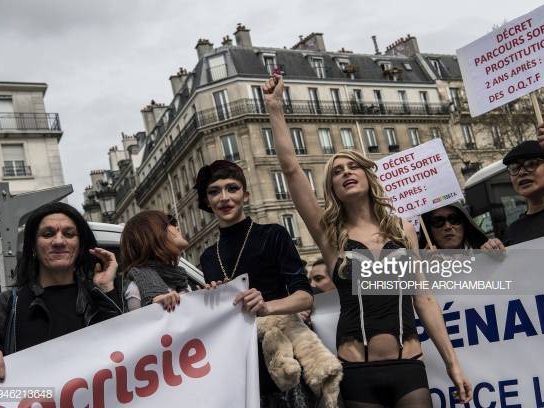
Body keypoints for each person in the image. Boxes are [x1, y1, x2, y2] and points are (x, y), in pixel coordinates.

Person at [264, 73, 472, 407]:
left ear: (366, 174)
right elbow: (291, 170)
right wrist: (275, 107)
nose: (345, 172)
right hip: (357, 372)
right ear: (332, 188)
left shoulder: (402, 229)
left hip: (408, 367)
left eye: (352, 167)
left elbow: (424, 300)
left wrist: (453, 365)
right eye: (337, 171)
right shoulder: (330, 235)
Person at [194, 160, 315, 407]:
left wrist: (267, 307)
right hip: (241, 368)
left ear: (246, 195)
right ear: (207, 201)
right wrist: (209, 300)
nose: (224, 197)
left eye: (232, 188)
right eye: (214, 191)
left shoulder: (273, 234)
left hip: (284, 359)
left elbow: (305, 296)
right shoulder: (208, 257)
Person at [0, 202, 121, 385]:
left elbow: (127, 349)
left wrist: (106, 291)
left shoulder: (104, 297)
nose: (59, 241)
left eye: (69, 234)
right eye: (48, 234)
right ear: (33, 246)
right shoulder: (3, 308)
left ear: (80, 245)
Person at [120, 210, 191, 312]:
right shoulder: (135, 290)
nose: (177, 227)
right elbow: (139, 322)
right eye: (170, 223)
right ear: (154, 234)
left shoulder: (181, 280)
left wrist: (208, 295)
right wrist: (154, 308)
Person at [420, 202, 504, 250]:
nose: (447, 226)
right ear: (429, 230)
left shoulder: (485, 253)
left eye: (454, 219)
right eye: (438, 221)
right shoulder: (421, 267)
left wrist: (494, 249)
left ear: (464, 223)